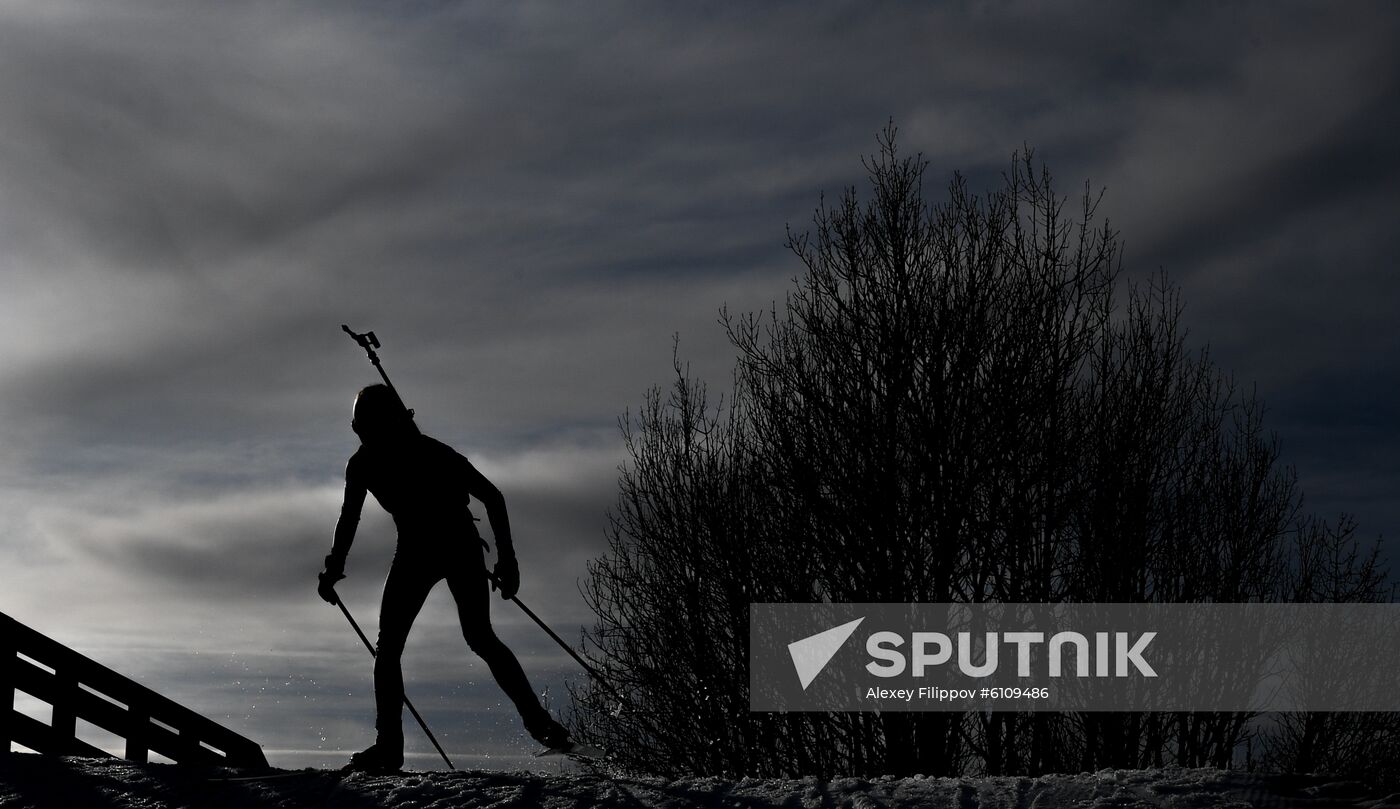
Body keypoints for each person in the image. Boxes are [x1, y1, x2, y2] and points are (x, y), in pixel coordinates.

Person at [317, 383, 571, 772]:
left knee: (478, 637)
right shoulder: (364, 463)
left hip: (457, 544)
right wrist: (335, 566)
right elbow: (348, 517)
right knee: (389, 651)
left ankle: (541, 726)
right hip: (414, 549)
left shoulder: (432, 453)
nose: (365, 437)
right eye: (359, 430)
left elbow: (492, 496)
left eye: (367, 428)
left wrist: (509, 561)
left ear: (387, 422)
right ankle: (389, 747)